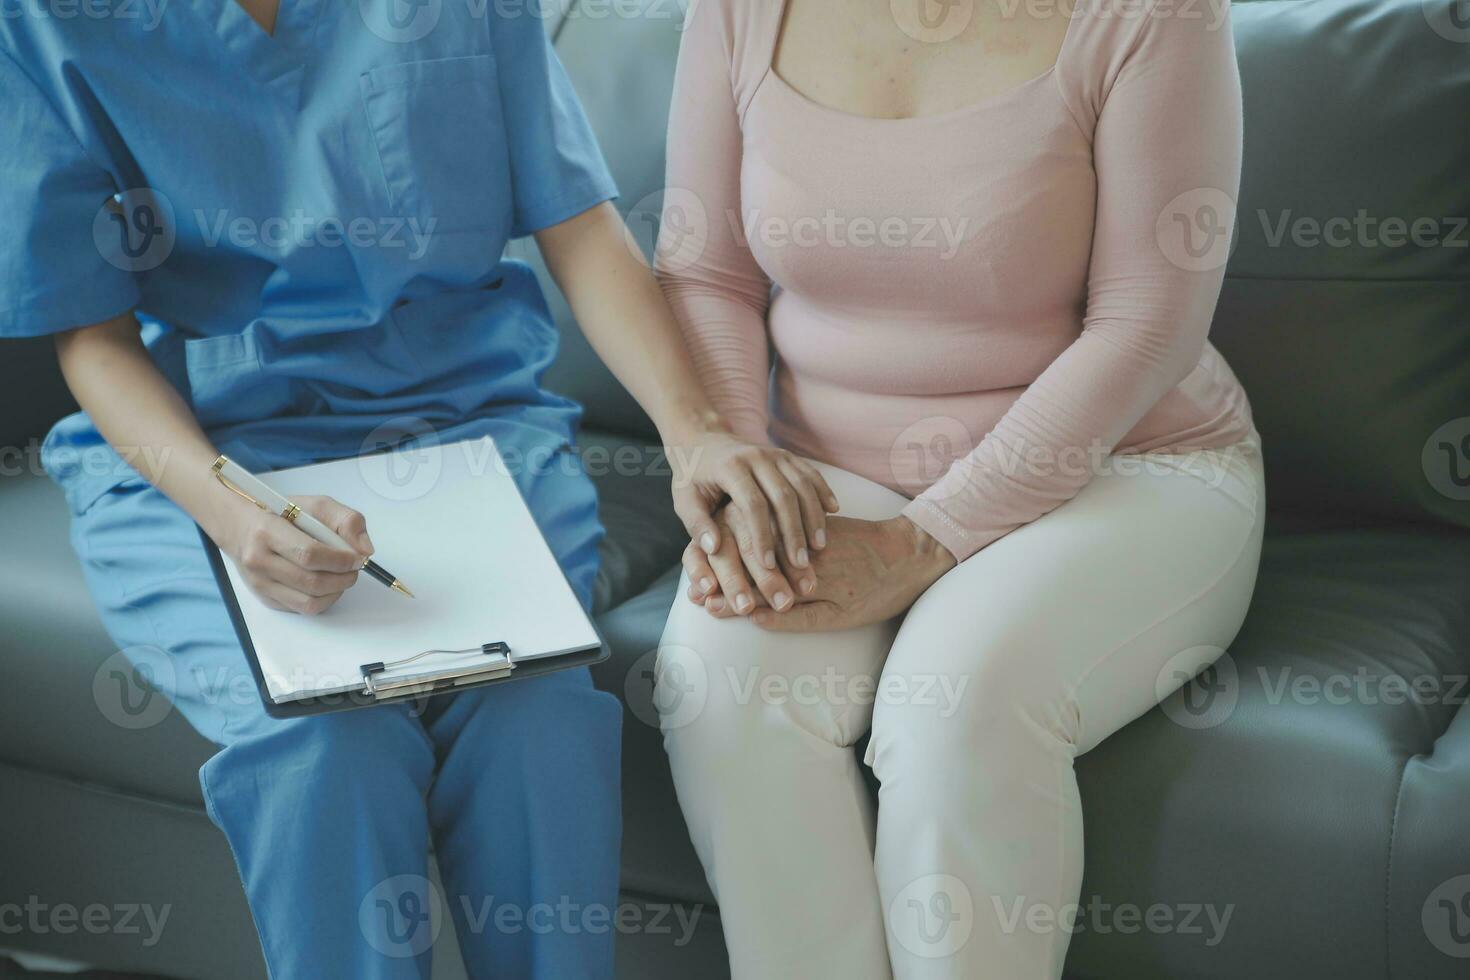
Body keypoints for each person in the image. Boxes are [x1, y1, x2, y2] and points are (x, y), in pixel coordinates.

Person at [0, 1, 834, 976]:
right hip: (205, 449)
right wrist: (236, 512)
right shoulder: (44, 19)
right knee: (317, 746)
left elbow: (580, 223)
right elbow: (91, 339)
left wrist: (696, 433)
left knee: (536, 719)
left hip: (467, 429)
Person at [654, 0, 1263, 976]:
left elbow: (1148, 320)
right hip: (836, 470)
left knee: (957, 706)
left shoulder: (1155, 16)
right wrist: (736, 472)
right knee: (722, 680)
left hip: (1124, 469)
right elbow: (706, 270)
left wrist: (925, 539)